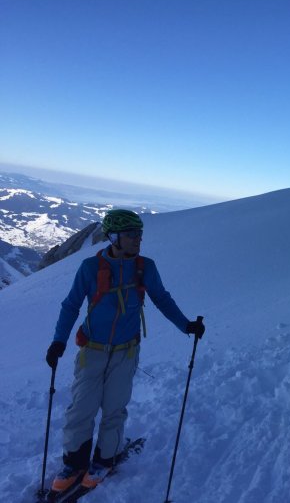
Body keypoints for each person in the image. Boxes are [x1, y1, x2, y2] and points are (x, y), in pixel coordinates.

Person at [44, 209, 205, 495]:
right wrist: (59, 341)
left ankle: (104, 460)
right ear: (114, 237)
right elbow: (71, 305)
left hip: (125, 353)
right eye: (131, 234)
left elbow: (162, 299)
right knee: (81, 409)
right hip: (91, 351)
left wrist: (185, 325)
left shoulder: (145, 267)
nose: (138, 239)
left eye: (139, 234)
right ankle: (74, 464)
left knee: (114, 409)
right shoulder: (90, 268)